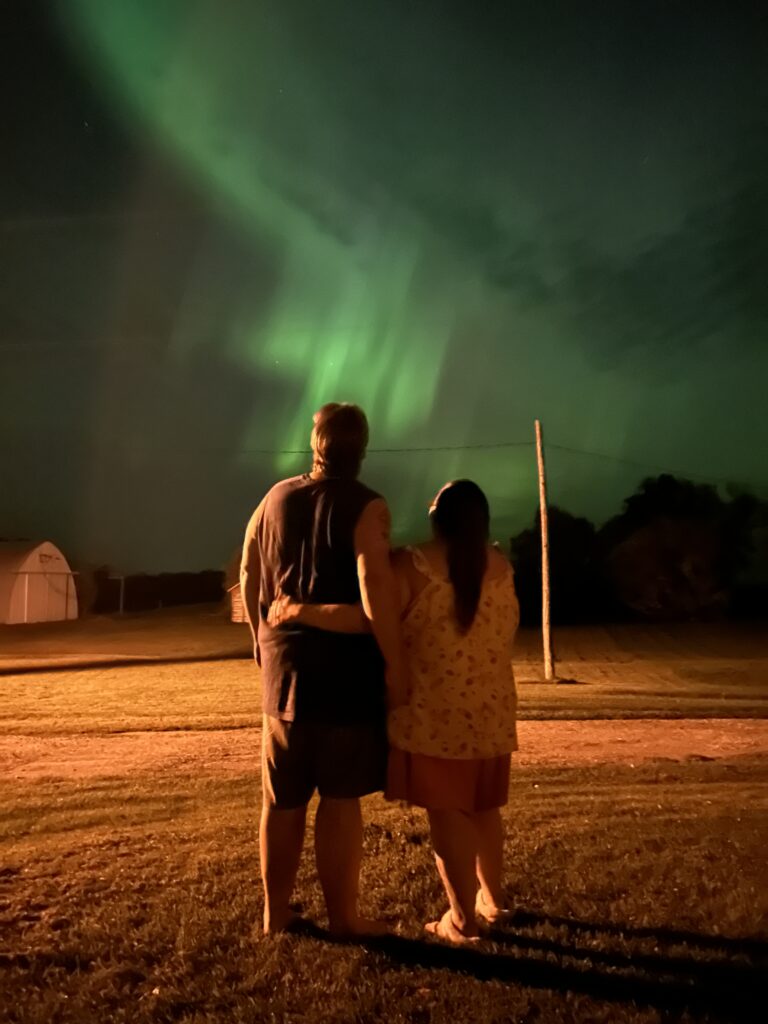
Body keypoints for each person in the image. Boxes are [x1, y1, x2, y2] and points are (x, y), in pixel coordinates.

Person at [269, 480, 519, 944]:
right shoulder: (502, 568)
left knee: (448, 816)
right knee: (484, 809)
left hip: (433, 715)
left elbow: (368, 618)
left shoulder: (413, 566)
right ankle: (492, 902)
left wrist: (299, 610)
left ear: (436, 518)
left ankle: (462, 922)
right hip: (493, 712)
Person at [240, 403, 404, 936]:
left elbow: (248, 570)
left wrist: (259, 640)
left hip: (282, 671)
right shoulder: (367, 506)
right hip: (343, 679)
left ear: (315, 445)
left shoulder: (275, 497)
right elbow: (375, 592)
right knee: (338, 797)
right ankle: (343, 918)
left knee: (282, 797)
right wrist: (396, 664)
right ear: (362, 449)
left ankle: (275, 914)